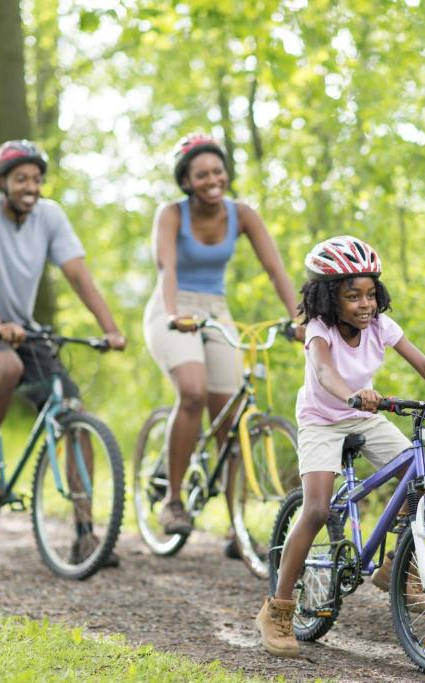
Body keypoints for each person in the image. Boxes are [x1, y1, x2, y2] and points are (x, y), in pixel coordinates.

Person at [255, 235, 425, 658]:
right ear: (330, 298)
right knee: (315, 509)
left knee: (424, 480)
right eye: (353, 296)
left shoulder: (381, 326)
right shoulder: (318, 330)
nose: (365, 304)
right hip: (321, 419)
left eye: (370, 294)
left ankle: (398, 569)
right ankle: (278, 609)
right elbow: (325, 372)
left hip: (364, 414)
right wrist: (352, 392)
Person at [0, 139, 127, 564]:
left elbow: (78, 273)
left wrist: (111, 328)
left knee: (72, 410)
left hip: (22, 329)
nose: (31, 186)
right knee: (4, 367)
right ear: (2, 182)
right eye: (22, 178)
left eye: (37, 179)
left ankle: (85, 534)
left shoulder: (50, 216)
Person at [143, 133, 301, 538]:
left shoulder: (242, 214)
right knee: (193, 393)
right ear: (186, 181)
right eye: (201, 174)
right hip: (173, 307)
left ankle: (236, 525)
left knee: (229, 415)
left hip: (216, 309)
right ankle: (173, 500)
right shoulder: (171, 215)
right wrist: (175, 312)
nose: (212, 179)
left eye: (218, 171)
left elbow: (275, 270)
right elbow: (167, 268)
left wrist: (299, 318)